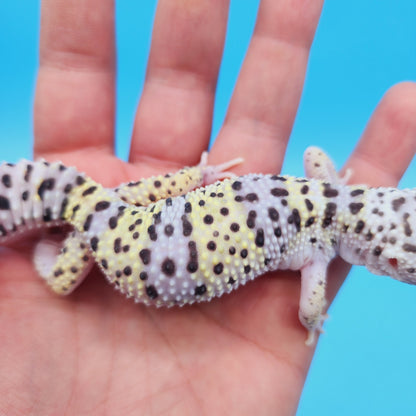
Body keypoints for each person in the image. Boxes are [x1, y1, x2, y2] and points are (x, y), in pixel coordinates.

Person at [2, 1, 416, 414]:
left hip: (126, 212)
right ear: (391, 261)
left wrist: (196, 178)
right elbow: (309, 310)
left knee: (101, 212)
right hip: (120, 248)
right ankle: (59, 257)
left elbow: (313, 154)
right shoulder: (320, 255)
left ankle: (139, 198)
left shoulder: (323, 183)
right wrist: (313, 323)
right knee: (62, 282)